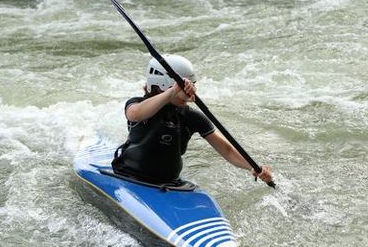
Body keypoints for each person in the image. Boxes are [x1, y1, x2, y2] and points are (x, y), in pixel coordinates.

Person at [112, 54, 273, 186]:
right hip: (129, 176)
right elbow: (135, 114)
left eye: (193, 86)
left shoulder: (192, 117)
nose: (191, 92)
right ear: (162, 84)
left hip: (169, 184)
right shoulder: (137, 104)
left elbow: (227, 150)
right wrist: (172, 92)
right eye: (186, 87)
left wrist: (253, 167)